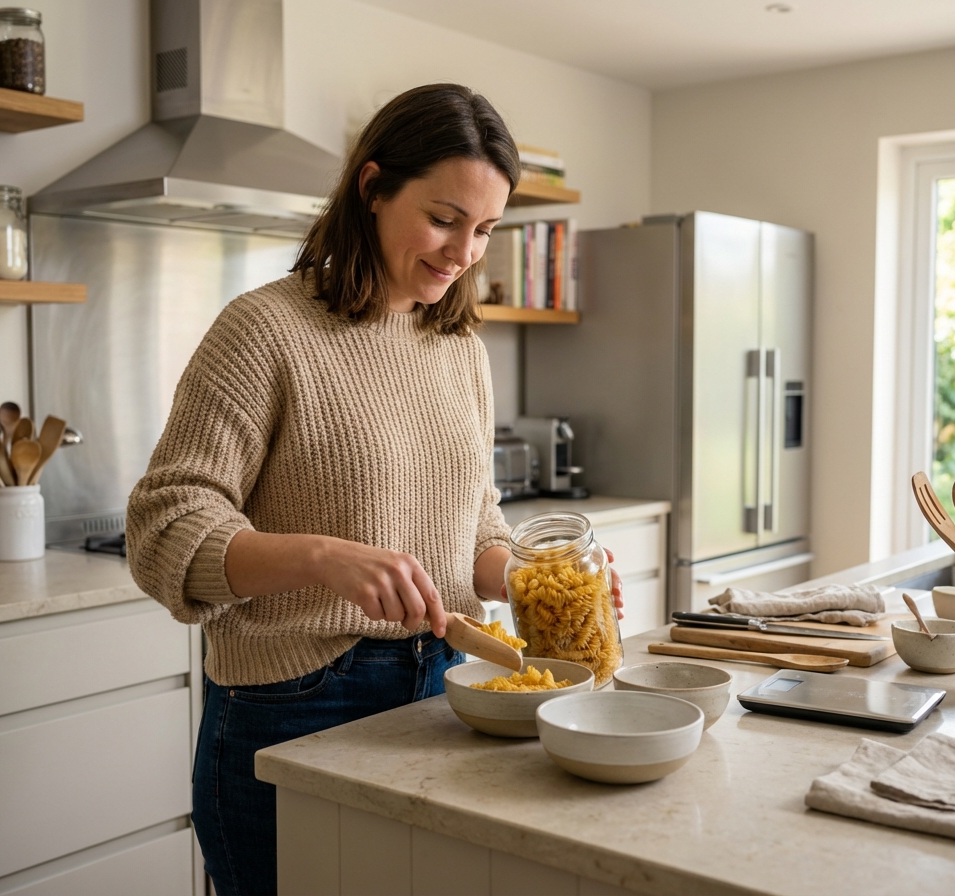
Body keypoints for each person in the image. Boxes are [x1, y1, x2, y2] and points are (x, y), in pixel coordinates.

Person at [126, 83, 623, 896]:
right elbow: (162, 528)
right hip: (291, 706)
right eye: (444, 217)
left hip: (441, 695)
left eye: (486, 230)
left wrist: (536, 579)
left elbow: (475, 528)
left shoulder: (458, 346)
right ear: (372, 187)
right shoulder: (264, 331)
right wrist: (322, 559)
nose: (464, 251)